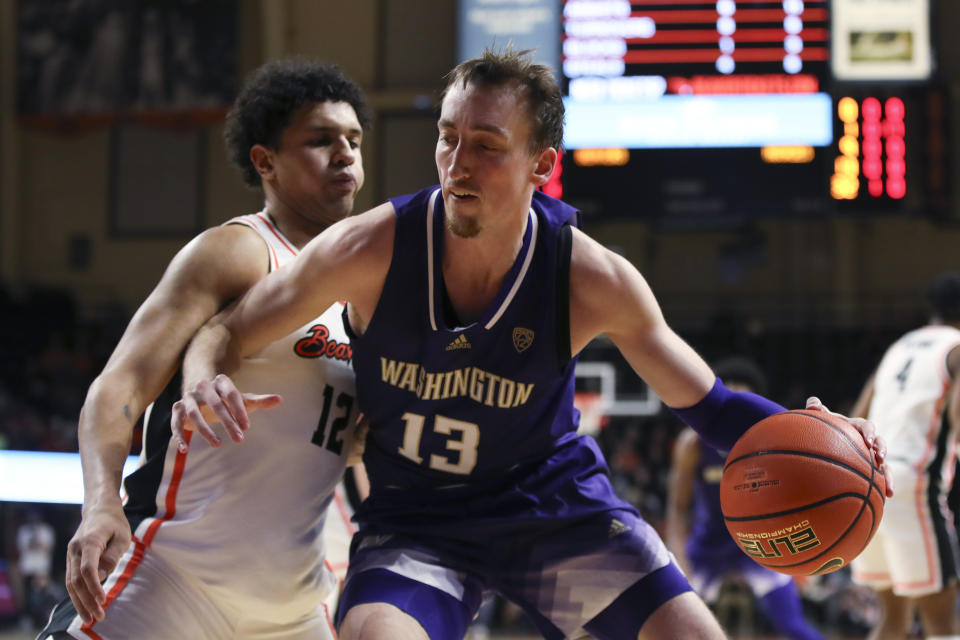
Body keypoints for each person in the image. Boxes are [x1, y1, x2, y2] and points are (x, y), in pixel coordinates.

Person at [175, 48, 889, 640]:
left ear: (541, 166)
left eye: (486, 146)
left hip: (552, 512)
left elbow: (712, 407)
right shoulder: (368, 249)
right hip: (417, 522)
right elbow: (224, 332)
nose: (457, 163)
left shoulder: (591, 278)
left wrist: (831, 439)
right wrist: (204, 375)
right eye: (448, 136)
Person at [37, 58, 371, 640]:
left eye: (353, 139)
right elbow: (117, 388)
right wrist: (99, 504)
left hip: (292, 607)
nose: (344, 153)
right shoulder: (237, 252)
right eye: (320, 140)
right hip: (172, 575)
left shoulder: (367, 288)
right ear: (265, 161)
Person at [665, 357, 826, 640]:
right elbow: (677, 508)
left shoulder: (772, 440)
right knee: (675, 629)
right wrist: (679, 558)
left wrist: (803, 557)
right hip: (708, 544)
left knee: (793, 626)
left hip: (759, 542)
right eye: (729, 393)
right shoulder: (692, 443)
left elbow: (799, 497)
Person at [848, 271, 960, 640]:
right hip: (914, 487)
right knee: (942, 625)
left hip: (867, 483)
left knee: (892, 620)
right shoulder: (958, 348)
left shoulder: (898, 347)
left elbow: (857, 416)